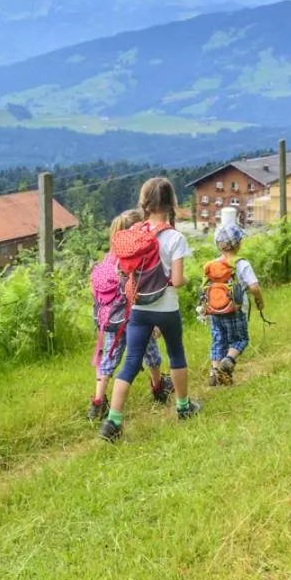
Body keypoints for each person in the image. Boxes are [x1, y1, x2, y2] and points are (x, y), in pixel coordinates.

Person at [100, 177, 201, 442]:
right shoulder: (175, 238)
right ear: (171, 203)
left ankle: (113, 421)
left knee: (131, 362)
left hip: (138, 309)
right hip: (167, 309)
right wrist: (182, 279)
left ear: (144, 203)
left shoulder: (135, 233)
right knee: (176, 354)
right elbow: (177, 281)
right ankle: (183, 407)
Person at [89, 209, 172, 421]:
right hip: (135, 318)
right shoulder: (134, 260)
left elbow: (96, 293)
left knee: (108, 359)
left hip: (111, 320)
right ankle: (158, 387)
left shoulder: (106, 261)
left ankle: (98, 402)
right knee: (151, 353)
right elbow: (140, 293)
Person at [204, 224, 264, 386]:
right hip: (235, 311)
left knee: (218, 340)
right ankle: (228, 360)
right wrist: (260, 301)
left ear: (218, 244)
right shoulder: (241, 264)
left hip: (215, 311)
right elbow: (253, 287)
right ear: (238, 244)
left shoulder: (213, 265)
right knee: (240, 339)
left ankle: (215, 371)